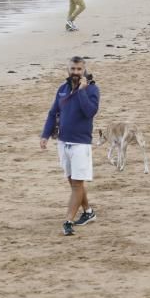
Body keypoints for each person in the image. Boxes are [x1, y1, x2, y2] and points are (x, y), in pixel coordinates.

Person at [40, 56, 100, 236]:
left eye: (79, 69)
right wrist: (45, 135)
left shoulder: (92, 89)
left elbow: (90, 112)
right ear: (68, 70)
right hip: (63, 142)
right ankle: (88, 212)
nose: (75, 73)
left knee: (76, 184)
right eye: (73, 69)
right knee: (73, 181)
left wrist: (81, 91)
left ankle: (68, 221)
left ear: (84, 71)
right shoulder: (62, 89)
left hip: (80, 143)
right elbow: (53, 113)